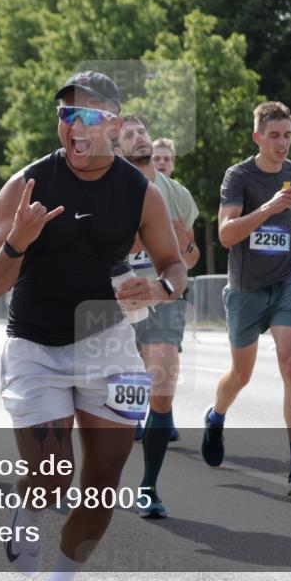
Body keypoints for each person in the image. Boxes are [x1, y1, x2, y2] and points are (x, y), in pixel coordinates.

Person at [0, 71, 187, 581]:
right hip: (35, 344)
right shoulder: (25, 185)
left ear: (113, 125)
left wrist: (161, 289)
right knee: (53, 476)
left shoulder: (139, 192)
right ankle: (28, 512)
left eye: (88, 116)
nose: (74, 127)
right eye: (66, 115)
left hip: (108, 341)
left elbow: (173, 264)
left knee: (101, 484)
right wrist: (17, 243)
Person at [201, 100, 291, 497]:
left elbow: (289, 217)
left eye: (287, 135)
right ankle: (216, 417)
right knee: (242, 375)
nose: (283, 143)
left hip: (287, 281)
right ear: (258, 138)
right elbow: (226, 234)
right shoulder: (238, 177)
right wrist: (267, 208)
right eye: (274, 136)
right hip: (246, 290)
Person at [117, 114, 200, 518]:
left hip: (163, 300)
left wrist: (183, 246)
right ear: (117, 149)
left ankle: (148, 487)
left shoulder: (177, 194)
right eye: (128, 135)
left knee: (161, 390)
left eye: (142, 132)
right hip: (113, 303)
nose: (138, 138)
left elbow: (193, 256)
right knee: (110, 403)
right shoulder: (105, 191)